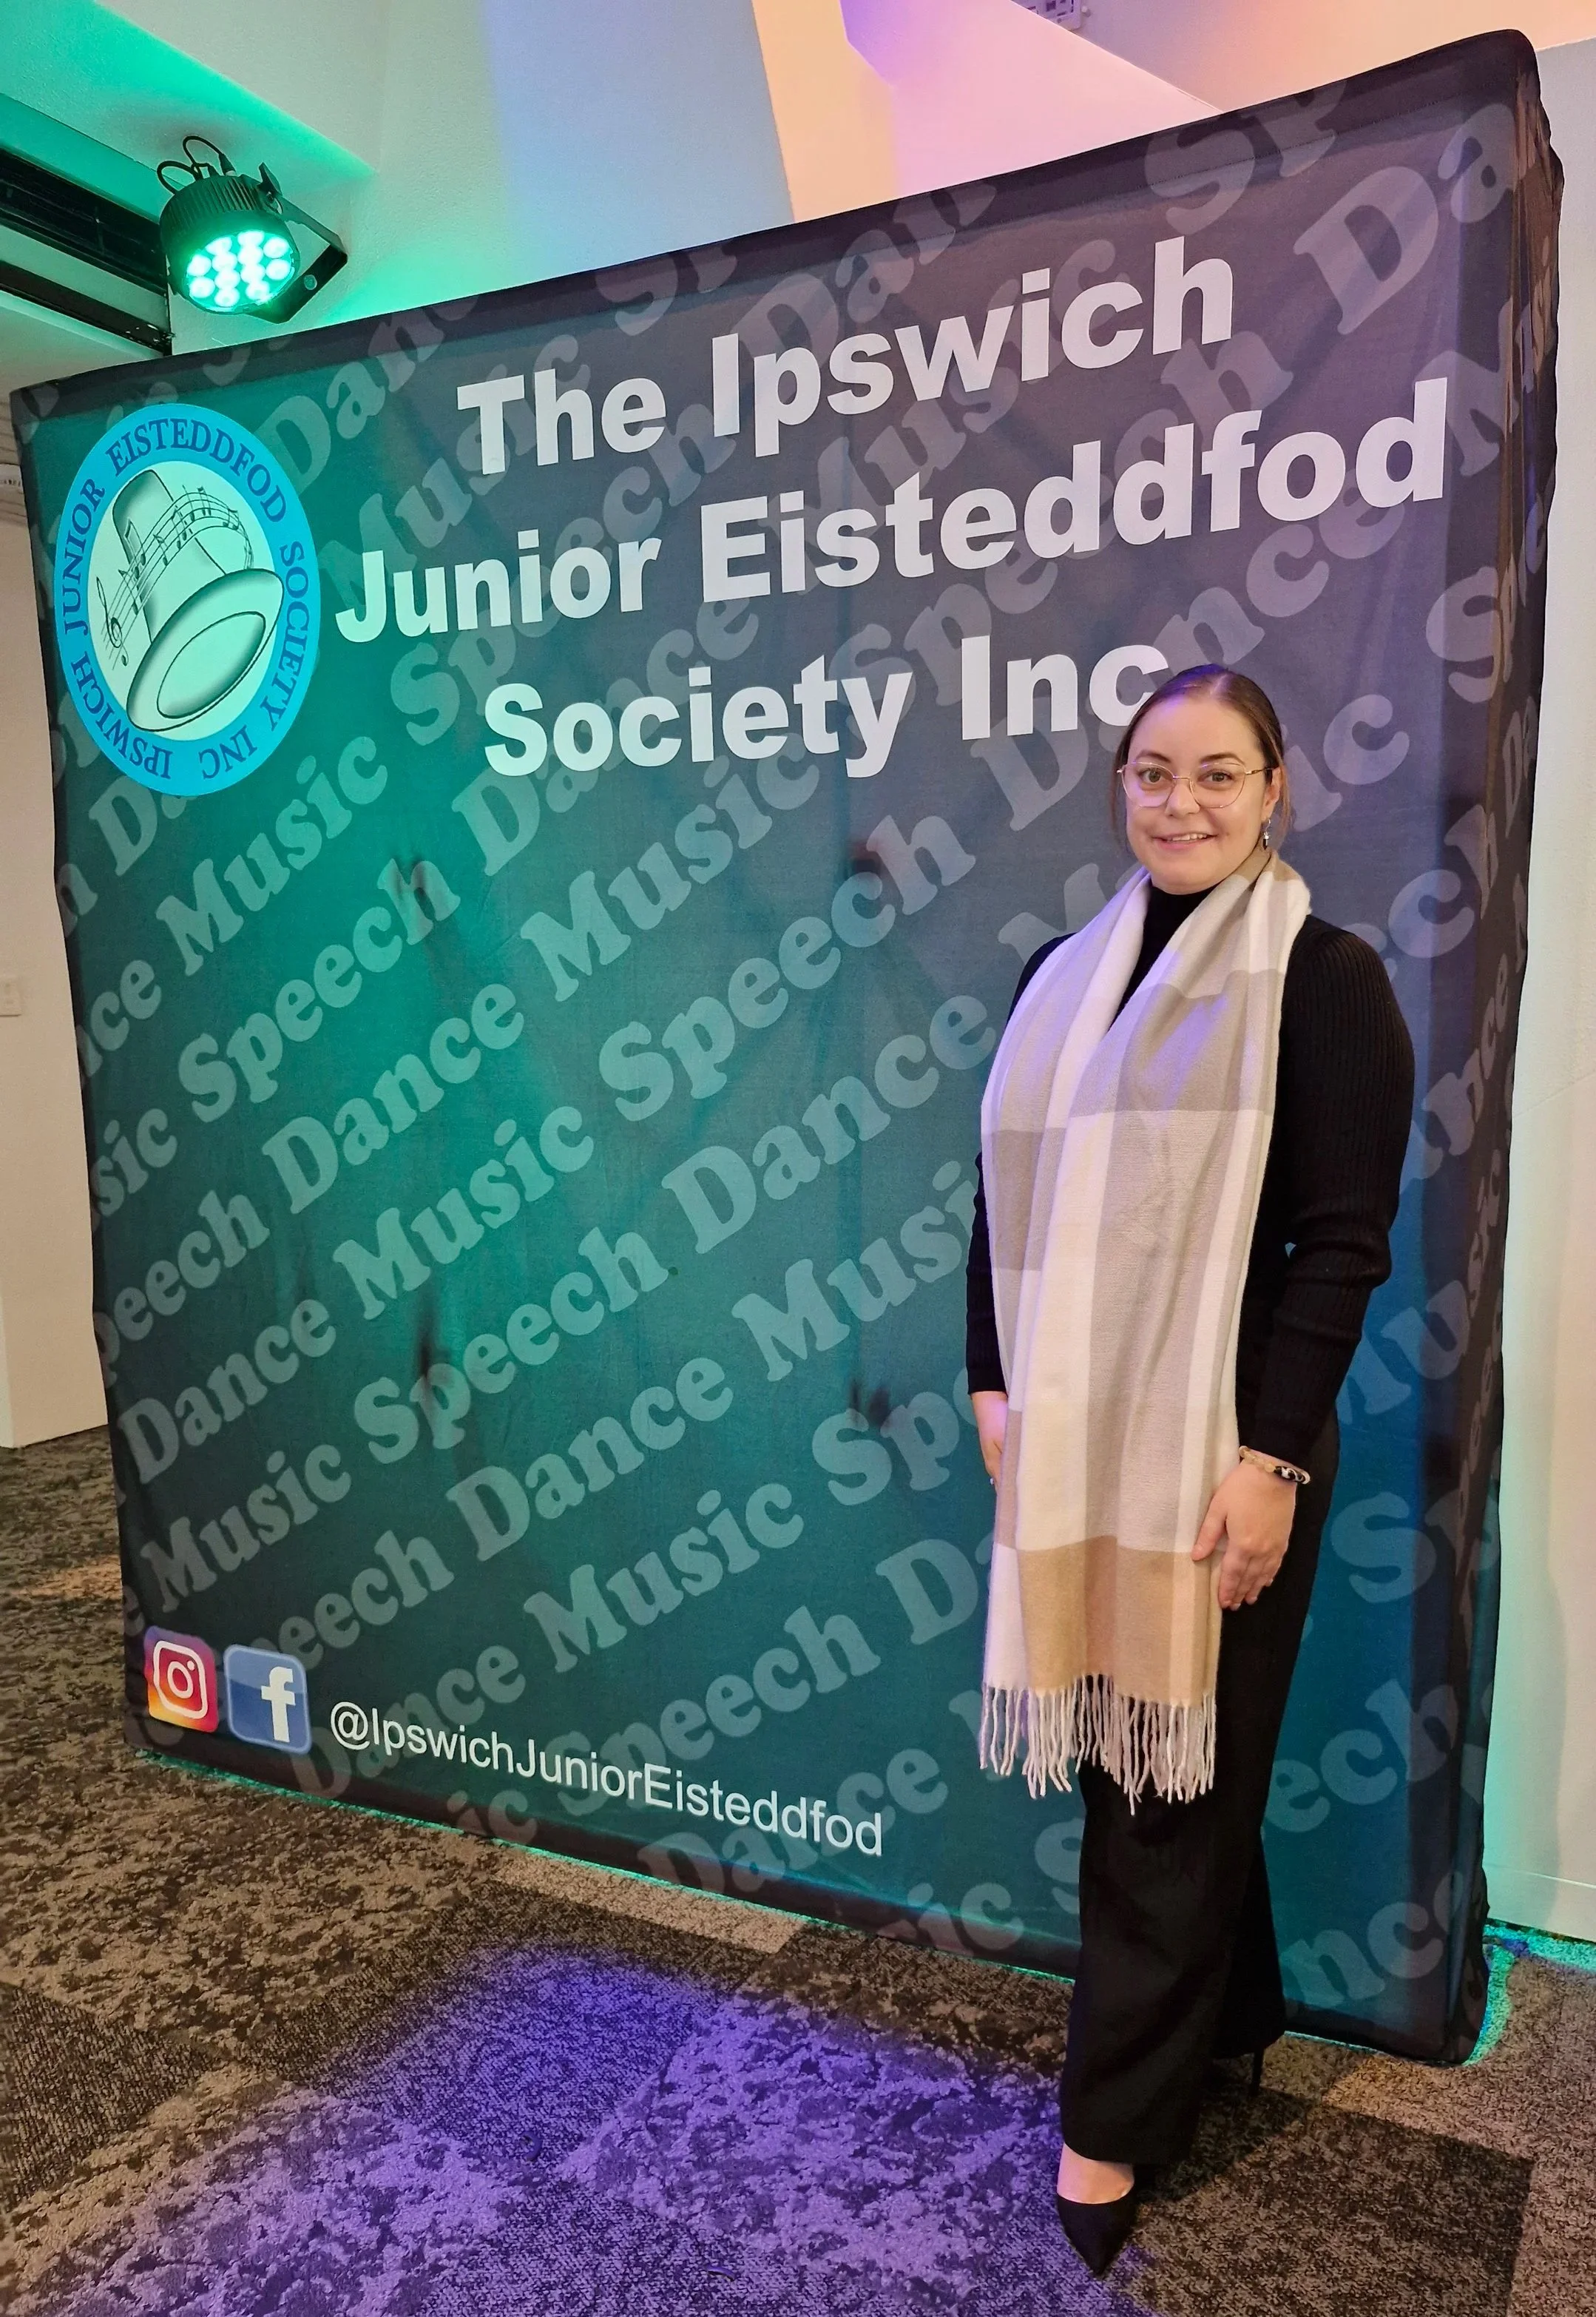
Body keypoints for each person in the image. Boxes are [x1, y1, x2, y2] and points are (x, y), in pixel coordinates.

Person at [964, 664, 1413, 2278]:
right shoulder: (1061, 974)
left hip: (1223, 1445)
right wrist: (988, 1378)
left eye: (1217, 775)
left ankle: (1107, 2125)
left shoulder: (1322, 980)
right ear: (1119, 787)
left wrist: (1272, 1459)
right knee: (1149, 1762)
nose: (1181, 804)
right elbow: (1000, 1201)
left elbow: (1338, 1251)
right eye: (1153, 773)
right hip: (1073, 1434)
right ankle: (1233, 2014)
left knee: (1161, 1783)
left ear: (1275, 788)